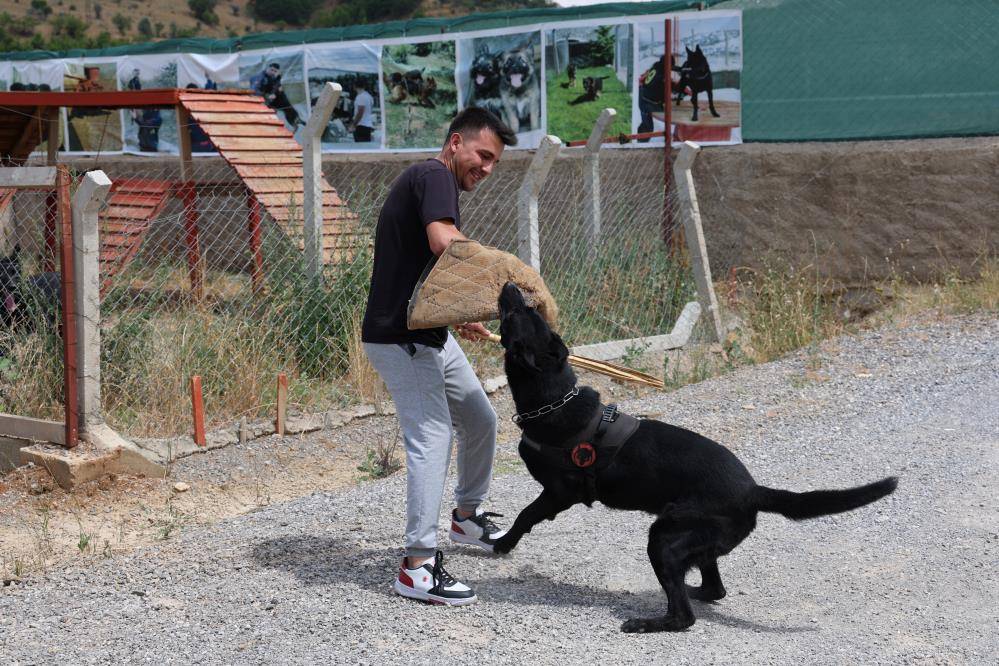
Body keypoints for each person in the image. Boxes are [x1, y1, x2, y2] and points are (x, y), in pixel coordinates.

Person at [361, 107, 517, 606]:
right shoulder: (434, 174)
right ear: (455, 143)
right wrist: (495, 276)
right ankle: (418, 566)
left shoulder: (431, 181)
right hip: (399, 337)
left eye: (495, 161)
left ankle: (466, 519)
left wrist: (457, 310)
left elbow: (423, 265)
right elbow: (442, 240)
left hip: (428, 331)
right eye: (482, 155)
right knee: (433, 435)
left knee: (480, 417)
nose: (487, 168)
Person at [249, 62, 301, 129]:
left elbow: (274, 88)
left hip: (270, 103)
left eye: (275, 71)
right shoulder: (259, 78)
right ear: (267, 68)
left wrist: (278, 91)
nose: (273, 72)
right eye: (271, 70)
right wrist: (267, 96)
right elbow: (254, 91)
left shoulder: (272, 78)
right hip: (259, 103)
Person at [637, 54, 667, 141]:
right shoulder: (661, 73)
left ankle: (641, 141)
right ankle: (642, 143)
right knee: (647, 127)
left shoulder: (655, 66)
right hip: (647, 101)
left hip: (643, 96)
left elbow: (641, 79)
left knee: (646, 125)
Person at [347, 79, 375, 144]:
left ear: (354, 87)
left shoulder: (360, 97)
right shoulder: (369, 96)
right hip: (367, 125)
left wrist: (353, 125)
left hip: (361, 126)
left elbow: (360, 112)